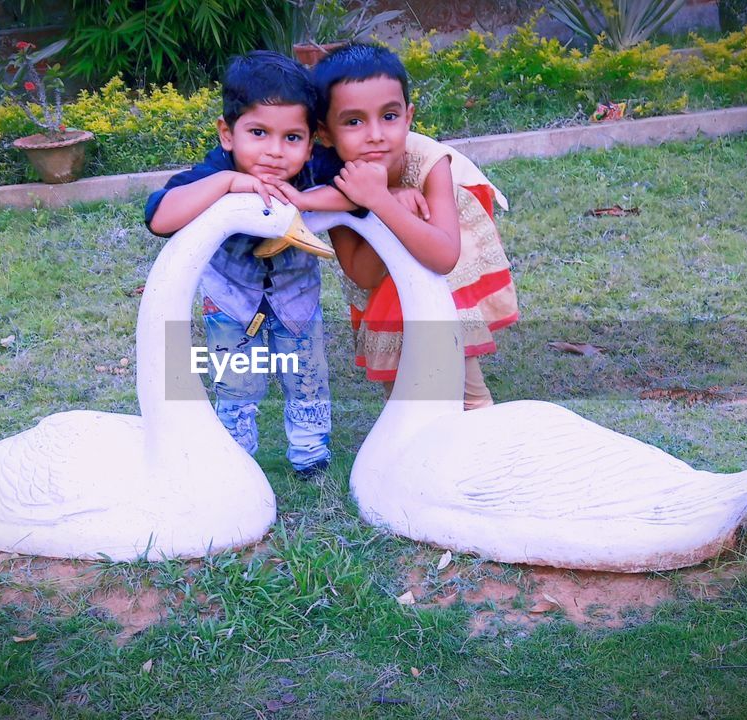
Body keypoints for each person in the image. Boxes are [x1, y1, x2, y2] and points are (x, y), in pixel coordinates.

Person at [144, 51, 353, 479]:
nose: (275, 152)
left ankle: (310, 456)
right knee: (237, 384)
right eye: (258, 132)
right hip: (231, 302)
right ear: (227, 133)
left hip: (297, 302)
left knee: (306, 377)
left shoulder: (312, 170)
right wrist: (227, 185)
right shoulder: (217, 168)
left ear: (311, 142)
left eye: (292, 138)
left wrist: (307, 200)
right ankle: (237, 461)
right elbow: (160, 216)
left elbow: (358, 193)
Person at [313, 43, 519, 410]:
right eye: (354, 121)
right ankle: (415, 454)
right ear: (325, 133)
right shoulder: (335, 175)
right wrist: (383, 203)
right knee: (406, 395)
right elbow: (362, 273)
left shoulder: (429, 160)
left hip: (444, 270)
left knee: (466, 388)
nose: (375, 134)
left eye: (389, 116)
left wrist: (381, 202)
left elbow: (443, 257)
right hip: (384, 281)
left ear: (408, 117)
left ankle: (482, 446)